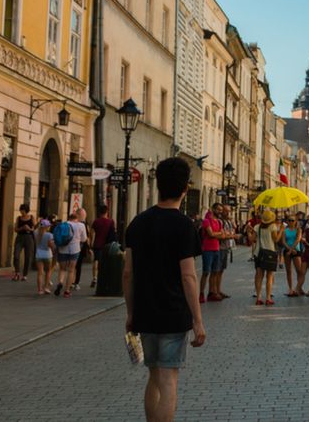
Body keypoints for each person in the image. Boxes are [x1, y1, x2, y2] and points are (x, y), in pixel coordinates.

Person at [123, 156, 205, 422]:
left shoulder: (138, 222)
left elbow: (127, 272)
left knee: (154, 376)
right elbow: (188, 276)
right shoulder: (184, 226)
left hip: (145, 313)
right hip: (173, 314)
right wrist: (198, 320)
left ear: (157, 185)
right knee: (169, 379)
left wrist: (130, 312)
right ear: (184, 189)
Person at [54, 210, 87, 297]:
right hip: (75, 250)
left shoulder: (64, 224)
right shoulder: (81, 225)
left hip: (63, 249)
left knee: (62, 269)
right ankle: (67, 291)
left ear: (69, 218)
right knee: (71, 270)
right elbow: (84, 239)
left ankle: (60, 282)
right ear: (77, 217)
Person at [253, 210, 281, 305]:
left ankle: (258, 297)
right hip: (270, 253)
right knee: (269, 276)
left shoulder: (257, 227)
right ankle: (268, 298)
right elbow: (276, 239)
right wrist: (281, 230)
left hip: (259, 253)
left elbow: (252, 239)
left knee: (259, 276)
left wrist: (249, 232)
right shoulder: (272, 227)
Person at [199, 205, 224, 303]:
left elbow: (221, 235)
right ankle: (201, 293)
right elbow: (210, 234)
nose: (220, 212)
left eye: (221, 210)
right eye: (218, 209)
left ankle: (211, 293)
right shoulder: (206, 221)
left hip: (216, 249)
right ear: (213, 209)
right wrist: (219, 233)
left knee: (214, 272)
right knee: (205, 272)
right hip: (207, 249)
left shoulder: (218, 222)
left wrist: (216, 233)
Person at [89, 204, 116, 288]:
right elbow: (113, 233)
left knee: (96, 260)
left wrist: (91, 244)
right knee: (105, 261)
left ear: (99, 212)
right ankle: (104, 278)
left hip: (97, 244)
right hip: (107, 245)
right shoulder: (111, 221)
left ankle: (94, 277)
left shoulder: (96, 221)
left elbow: (92, 233)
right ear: (107, 212)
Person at [12, 204, 36, 281]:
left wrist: (29, 229)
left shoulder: (32, 217)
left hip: (29, 238)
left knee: (28, 257)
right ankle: (17, 273)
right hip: (20, 237)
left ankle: (25, 274)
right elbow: (15, 229)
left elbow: (35, 228)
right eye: (20, 211)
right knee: (16, 255)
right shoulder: (18, 218)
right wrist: (22, 228)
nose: (21, 212)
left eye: (22, 211)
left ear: (26, 210)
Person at [282, 216, 302, 296]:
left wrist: (291, 250)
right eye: (289, 220)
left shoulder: (298, 230)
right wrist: (289, 250)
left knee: (299, 271)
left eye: (292, 220)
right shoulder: (284, 231)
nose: (291, 222)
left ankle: (298, 287)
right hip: (287, 251)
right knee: (288, 271)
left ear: (295, 221)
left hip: (295, 251)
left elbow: (298, 240)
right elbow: (283, 241)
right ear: (287, 221)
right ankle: (290, 288)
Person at [34, 219, 55, 295]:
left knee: (40, 273)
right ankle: (46, 288)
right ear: (47, 226)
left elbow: (36, 227)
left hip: (38, 255)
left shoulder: (35, 233)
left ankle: (39, 290)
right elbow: (51, 245)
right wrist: (54, 250)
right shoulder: (49, 235)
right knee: (48, 271)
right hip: (47, 255)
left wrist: (39, 223)